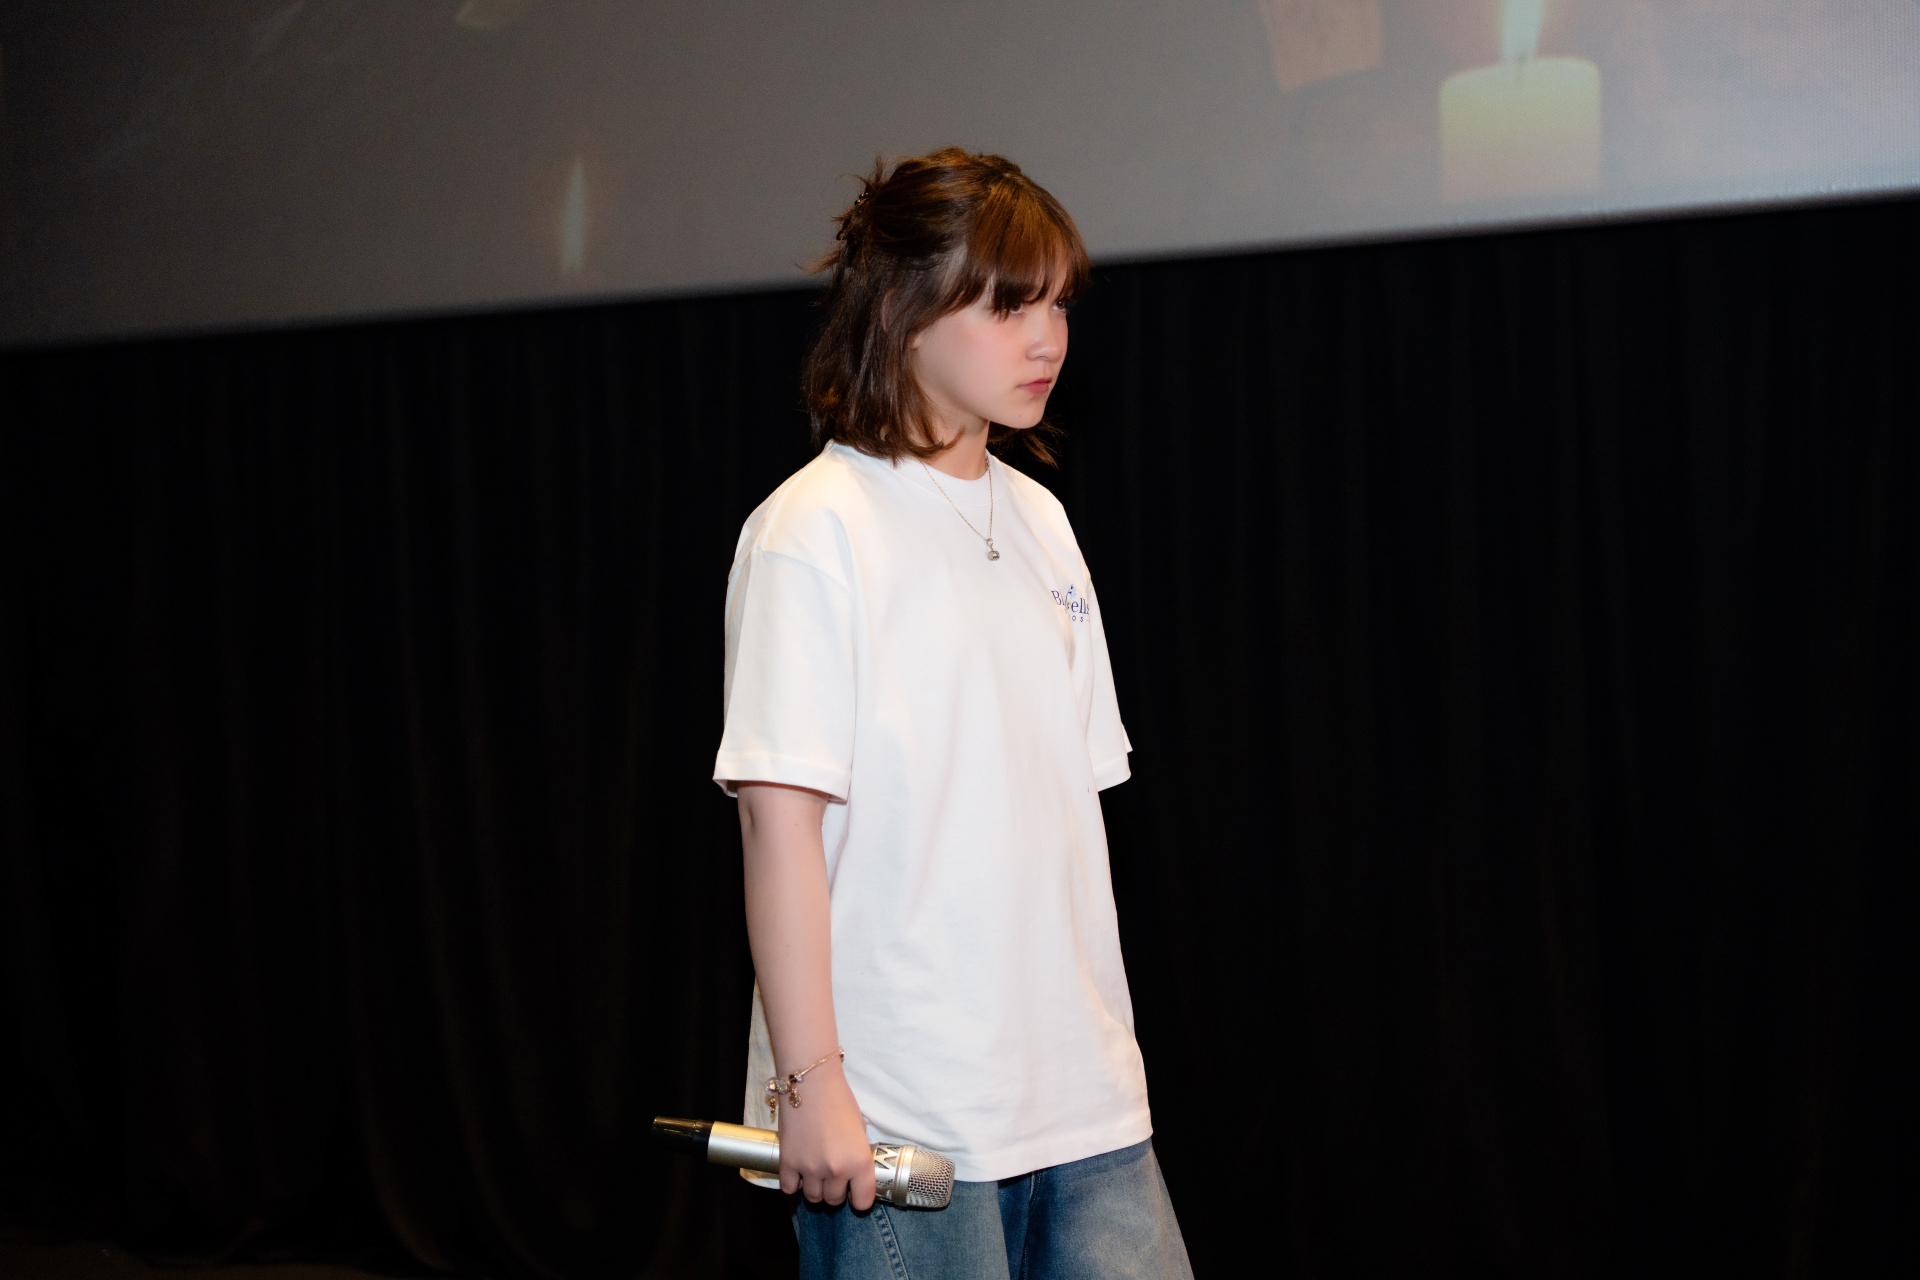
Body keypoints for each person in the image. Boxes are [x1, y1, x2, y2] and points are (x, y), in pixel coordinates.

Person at [713, 148, 1191, 1280]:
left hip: (1084, 1108)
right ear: (900, 310)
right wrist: (810, 1087)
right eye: (1009, 305)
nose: (1048, 339)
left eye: (1058, 304)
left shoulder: (1043, 524)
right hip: (901, 1113)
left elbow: (1064, 821)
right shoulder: (813, 530)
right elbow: (777, 825)